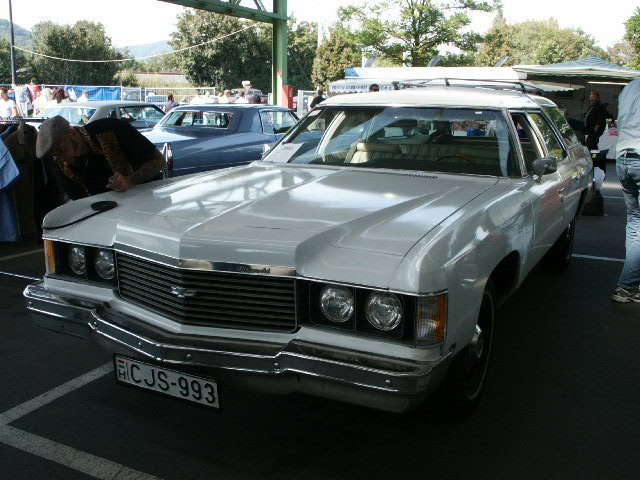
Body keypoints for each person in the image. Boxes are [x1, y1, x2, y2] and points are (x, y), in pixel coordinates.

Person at [35, 115, 166, 199]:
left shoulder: (111, 129)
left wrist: (129, 180)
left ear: (72, 133)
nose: (61, 158)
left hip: (144, 206)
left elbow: (159, 161)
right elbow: (77, 199)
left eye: (61, 150)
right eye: (55, 155)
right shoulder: (62, 163)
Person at [611, 78, 640, 303]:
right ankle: (628, 285)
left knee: (635, 222)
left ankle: (628, 286)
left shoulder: (629, 86)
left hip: (624, 157)